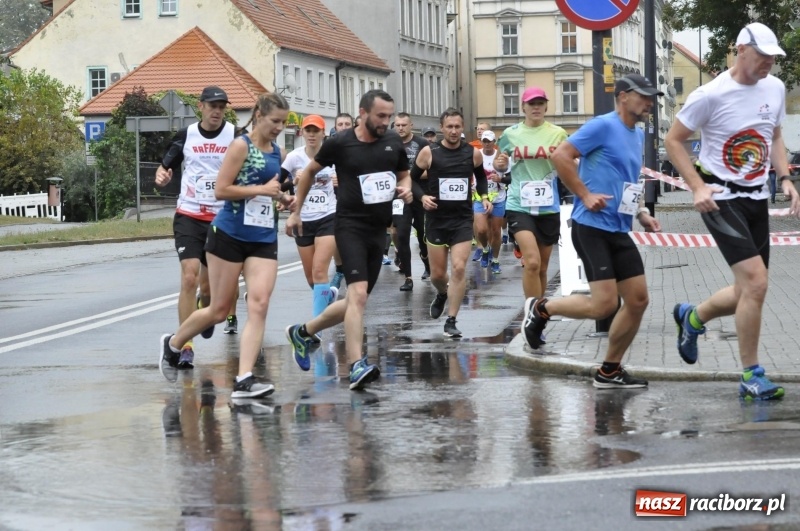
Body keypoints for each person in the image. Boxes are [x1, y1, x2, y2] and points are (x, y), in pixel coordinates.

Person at [664, 22, 800, 401]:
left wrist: (785, 179)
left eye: (773, 57)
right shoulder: (710, 94)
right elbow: (673, 141)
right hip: (719, 197)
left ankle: (692, 317)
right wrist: (696, 186)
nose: (769, 63)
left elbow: (774, 136)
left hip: (756, 198)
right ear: (740, 50)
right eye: (762, 55)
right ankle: (751, 375)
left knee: (747, 288)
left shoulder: (774, 88)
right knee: (756, 283)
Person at [525, 74, 663, 389]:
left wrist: (641, 212)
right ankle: (541, 308)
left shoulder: (636, 134)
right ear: (624, 96)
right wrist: (585, 194)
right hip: (591, 227)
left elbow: (629, 179)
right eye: (643, 96)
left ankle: (609, 371)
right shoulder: (602, 126)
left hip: (619, 228)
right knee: (604, 305)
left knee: (638, 300)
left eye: (651, 98)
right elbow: (560, 155)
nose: (649, 103)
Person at [159, 93, 293, 398]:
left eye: (284, 123)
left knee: (259, 304)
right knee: (218, 310)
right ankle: (173, 343)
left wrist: (284, 199)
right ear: (258, 116)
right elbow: (222, 189)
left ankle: (244, 378)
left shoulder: (278, 152)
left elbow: (270, 190)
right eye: (275, 121)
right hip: (229, 234)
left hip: (263, 236)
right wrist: (262, 189)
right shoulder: (240, 145)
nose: (279, 127)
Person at [285, 89, 413, 391]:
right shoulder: (340, 143)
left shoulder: (392, 142)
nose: (386, 122)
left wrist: (406, 188)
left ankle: (302, 332)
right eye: (380, 116)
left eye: (389, 116)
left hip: (377, 230)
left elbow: (404, 174)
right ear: (363, 113)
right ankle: (356, 365)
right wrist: (296, 212)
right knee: (357, 295)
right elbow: (308, 173)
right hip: (348, 226)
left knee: (357, 299)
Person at [155, 86, 239, 367]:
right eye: (212, 106)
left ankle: (205, 308)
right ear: (200, 107)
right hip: (189, 216)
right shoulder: (186, 135)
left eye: (222, 107)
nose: (217, 111)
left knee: (209, 288)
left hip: (221, 218)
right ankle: (185, 346)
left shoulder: (234, 136)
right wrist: (162, 175)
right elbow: (165, 165)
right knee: (189, 277)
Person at [413, 108, 491, 338]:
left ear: (462, 127)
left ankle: (451, 320)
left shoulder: (472, 153)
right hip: (436, 220)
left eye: (457, 126)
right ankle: (442, 293)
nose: (454, 131)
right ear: (442, 128)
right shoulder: (429, 152)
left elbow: (482, 177)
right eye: (449, 127)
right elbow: (412, 180)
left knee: (458, 268)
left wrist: (484, 197)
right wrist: (422, 197)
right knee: (437, 276)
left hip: (461, 220)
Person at [493, 87, 568, 300]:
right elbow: (499, 163)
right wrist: (500, 165)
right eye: (531, 104)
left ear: (546, 107)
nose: (536, 108)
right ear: (523, 107)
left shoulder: (558, 133)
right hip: (519, 204)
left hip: (548, 206)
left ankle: (539, 311)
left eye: (540, 103)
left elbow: (568, 162)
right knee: (532, 262)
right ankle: (531, 311)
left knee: (542, 268)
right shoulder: (510, 134)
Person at [282, 115, 339, 317]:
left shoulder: (333, 156)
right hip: (303, 219)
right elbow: (276, 185)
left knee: (320, 271)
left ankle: (317, 326)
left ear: (324, 133)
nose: (312, 135)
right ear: (302, 133)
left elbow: (353, 179)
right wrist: (292, 183)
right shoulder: (294, 157)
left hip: (328, 216)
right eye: (308, 130)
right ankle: (327, 296)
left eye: (316, 131)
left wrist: (340, 180)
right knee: (311, 278)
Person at [392, 112, 431, 289]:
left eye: (404, 125)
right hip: (399, 195)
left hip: (419, 193)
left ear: (411, 125)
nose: (400, 128)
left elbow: (431, 169)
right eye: (397, 125)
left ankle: (427, 262)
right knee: (402, 234)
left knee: (422, 234)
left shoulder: (422, 144)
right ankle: (408, 277)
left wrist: (410, 175)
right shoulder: (390, 144)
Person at [472, 130, 507, 274]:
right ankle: (485, 249)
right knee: (481, 230)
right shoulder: (476, 155)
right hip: (480, 197)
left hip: (498, 198)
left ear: (494, 142)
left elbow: (510, 176)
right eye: (484, 141)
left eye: (489, 141)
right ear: (481, 142)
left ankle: (495, 259)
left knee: (496, 231)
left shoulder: (500, 156)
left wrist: (501, 179)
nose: (487, 144)